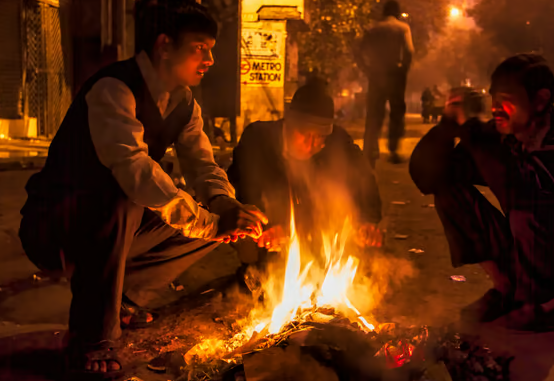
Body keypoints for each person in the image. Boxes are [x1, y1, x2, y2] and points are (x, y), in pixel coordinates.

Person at [18, 1, 267, 378]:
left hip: (116, 232)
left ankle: (123, 295)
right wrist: (207, 221)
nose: (210, 59)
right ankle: (93, 337)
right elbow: (134, 171)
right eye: (200, 47)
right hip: (56, 229)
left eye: (211, 49)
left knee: (218, 224)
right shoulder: (114, 89)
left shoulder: (184, 104)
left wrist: (225, 207)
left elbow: (202, 165)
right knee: (127, 196)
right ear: (165, 45)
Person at [409, 54, 554, 332]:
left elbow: (526, 188)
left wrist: (472, 130)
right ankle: (507, 291)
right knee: (447, 189)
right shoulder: (502, 136)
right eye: (493, 99)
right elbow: (429, 176)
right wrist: (450, 124)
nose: (496, 109)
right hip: (528, 250)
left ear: (540, 100)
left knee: (526, 202)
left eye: (506, 99)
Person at [227, 80, 383, 282]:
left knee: (349, 232)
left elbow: (364, 178)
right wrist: (267, 227)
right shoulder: (257, 138)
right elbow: (243, 187)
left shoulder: (338, 141)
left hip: (312, 221)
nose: (312, 144)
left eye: (320, 137)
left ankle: (321, 273)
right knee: (250, 244)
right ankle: (256, 273)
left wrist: (368, 220)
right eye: (305, 134)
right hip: (268, 221)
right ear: (289, 123)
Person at [357, 0, 414, 167]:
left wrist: (367, 70)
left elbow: (360, 52)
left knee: (374, 112)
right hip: (395, 74)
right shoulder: (402, 28)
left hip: (376, 74)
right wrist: (404, 69)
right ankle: (393, 150)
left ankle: (370, 150)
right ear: (397, 12)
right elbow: (409, 51)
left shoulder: (372, 28)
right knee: (396, 112)